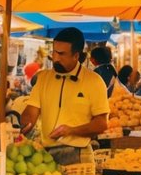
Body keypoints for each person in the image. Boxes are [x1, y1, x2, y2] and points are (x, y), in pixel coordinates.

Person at [19, 26, 109, 163]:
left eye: (61, 54)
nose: (55, 58)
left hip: (78, 154)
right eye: (54, 52)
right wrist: (21, 124)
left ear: (76, 55)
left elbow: (101, 124)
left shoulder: (94, 81)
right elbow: (31, 111)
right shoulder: (43, 78)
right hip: (45, 155)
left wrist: (71, 130)